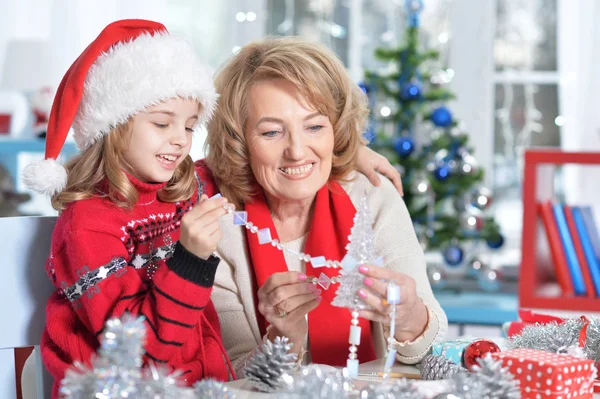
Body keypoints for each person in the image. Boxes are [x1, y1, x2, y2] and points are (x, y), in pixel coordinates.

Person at [197, 37, 448, 377]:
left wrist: (409, 316)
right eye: (272, 133)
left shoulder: (372, 196)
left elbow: (431, 351)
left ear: (335, 129)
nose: (297, 151)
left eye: (314, 126)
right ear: (240, 141)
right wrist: (284, 336)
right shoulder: (217, 227)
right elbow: (227, 375)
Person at [22, 20, 234, 396]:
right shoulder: (87, 227)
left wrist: (350, 158)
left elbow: (250, 169)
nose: (180, 140)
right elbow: (137, 351)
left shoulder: (181, 188)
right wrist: (189, 262)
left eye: (189, 127)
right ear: (114, 127)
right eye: (162, 123)